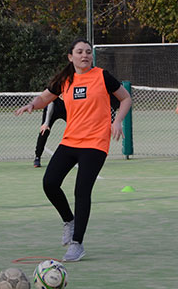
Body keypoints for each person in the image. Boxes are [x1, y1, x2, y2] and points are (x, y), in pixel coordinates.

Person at [15, 38, 132, 262]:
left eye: (88, 52)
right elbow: (45, 97)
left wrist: (117, 121)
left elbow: (125, 99)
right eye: (79, 52)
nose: (85, 55)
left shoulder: (102, 76)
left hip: (96, 142)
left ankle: (77, 244)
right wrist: (32, 104)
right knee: (49, 183)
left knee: (81, 190)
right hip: (70, 140)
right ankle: (69, 220)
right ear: (71, 57)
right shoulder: (65, 80)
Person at [34, 97, 67, 168]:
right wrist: (46, 123)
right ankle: (37, 157)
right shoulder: (55, 87)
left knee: (76, 131)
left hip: (67, 108)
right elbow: (50, 102)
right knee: (44, 131)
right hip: (52, 107)